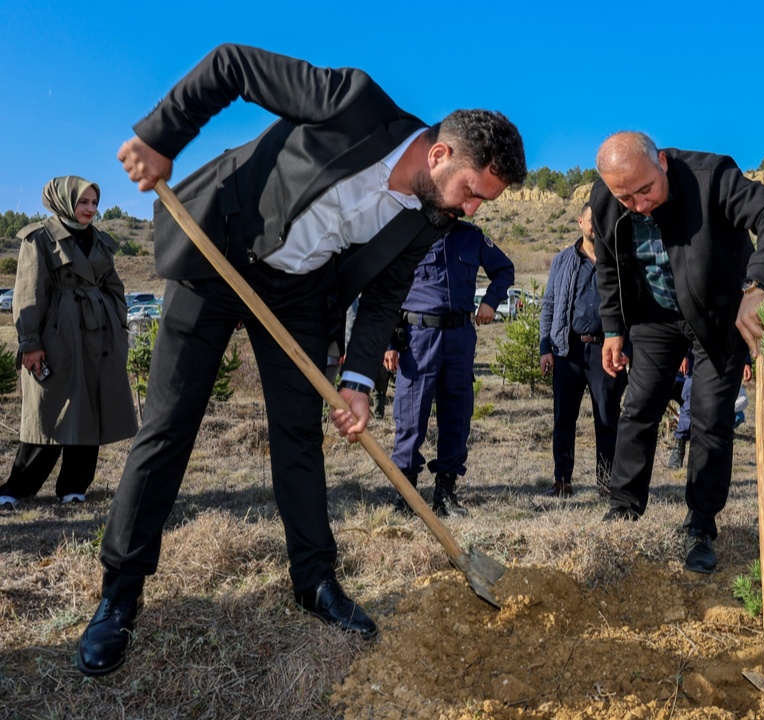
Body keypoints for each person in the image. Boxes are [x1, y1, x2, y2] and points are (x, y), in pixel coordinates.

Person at [77, 44, 525, 678]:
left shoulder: (431, 219)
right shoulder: (353, 102)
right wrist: (161, 138)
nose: (471, 210)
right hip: (220, 250)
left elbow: (384, 298)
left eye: (482, 204)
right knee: (169, 426)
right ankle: (120, 593)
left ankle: (315, 581)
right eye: (473, 193)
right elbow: (232, 65)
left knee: (298, 436)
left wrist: (359, 380)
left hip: (301, 293)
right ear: (440, 154)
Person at [590, 131, 764, 573]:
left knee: (709, 419)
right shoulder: (606, 198)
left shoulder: (712, 177)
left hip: (719, 315)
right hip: (654, 316)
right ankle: (624, 508)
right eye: (626, 197)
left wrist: (758, 286)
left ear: (663, 163)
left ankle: (700, 525)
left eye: (646, 190)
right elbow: (608, 267)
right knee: (639, 408)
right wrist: (612, 328)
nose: (639, 205)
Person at [0, 177, 138, 510]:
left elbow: (114, 287)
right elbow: (28, 293)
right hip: (58, 337)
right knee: (49, 409)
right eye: (83, 202)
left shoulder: (99, 240)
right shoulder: (40, 238)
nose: (91, 209)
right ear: (64, 201)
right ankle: (17, 488)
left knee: (91, 408)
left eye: (94, 203)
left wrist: (118, 325)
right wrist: (30, 343)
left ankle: (74, 486)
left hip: (100, 337)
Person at [385, 221, 513, 515]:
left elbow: (504, 269)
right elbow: (386, 289)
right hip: (418, 338)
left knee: (457, 415)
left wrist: (491, 301)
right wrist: (389, 342)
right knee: (410, 416)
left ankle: (445, 495)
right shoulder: (409, 233)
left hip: (459, 337)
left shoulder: (471, 237)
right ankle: (406, 496)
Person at [539, 205, 627, 498]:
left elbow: (631, 305)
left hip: (606, 350)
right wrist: (545, 348)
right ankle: (562, 481)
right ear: (580, 222)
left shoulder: (616, 259)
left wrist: (627, 347)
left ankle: (607, 483)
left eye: (600, 220)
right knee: (564, 419)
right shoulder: (563, 260)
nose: (595, 226)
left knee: (606, 419)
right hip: (568, 350)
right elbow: (549, 305)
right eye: (591, 220)